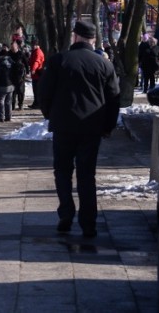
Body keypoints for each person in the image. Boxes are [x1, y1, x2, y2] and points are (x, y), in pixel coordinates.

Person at [38, 20, 120, 238]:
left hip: (64, 126)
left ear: (75, 37)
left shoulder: (58, 61)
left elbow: (44, 94)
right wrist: (108, 126)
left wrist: (51, 115)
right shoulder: (104, 65)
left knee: (62, 171)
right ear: (93, 40)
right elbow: (114, 99)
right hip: (91, 128)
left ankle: (66, 212)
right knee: (87, 175)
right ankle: (88, 223)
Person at [0, 50, 14, 122]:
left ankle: (1, 116)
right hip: (11, 84)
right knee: (8, 101)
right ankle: (8, 116)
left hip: (2, 85)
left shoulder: (0, 63)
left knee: (0, 101)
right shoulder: (11, 62)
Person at [28, 39, 45, 109]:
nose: (32, 46)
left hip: (37, 74)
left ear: (36, 45)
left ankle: (38, 104)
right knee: (35, 90)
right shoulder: (34, 51)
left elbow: (36, 62)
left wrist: (33, 69)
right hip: (35, 74)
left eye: (33, 45)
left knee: (37, 90)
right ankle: (36, 103)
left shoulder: (38, 52)